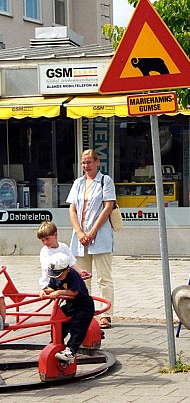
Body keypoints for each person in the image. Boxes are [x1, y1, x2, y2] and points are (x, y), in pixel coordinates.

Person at [67, 149, 116, 329]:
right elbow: (72, 209)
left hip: (100, 235)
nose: (86, 166)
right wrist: (79, 232)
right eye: (83, 163)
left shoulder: (105, 181)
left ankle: (106, 314)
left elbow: (108, 207)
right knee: (82, 277)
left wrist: (93, 231)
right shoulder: (78, 183)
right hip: (80, 238)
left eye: (89, 162)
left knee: (104, 278)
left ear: (97, 162)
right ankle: (85, 313)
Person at [40, 253, 95, 364]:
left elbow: (74, 292)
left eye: (59, 275)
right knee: (59, 321)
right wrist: (44, 290)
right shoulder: (56, 276)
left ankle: (71, 350)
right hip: (70, 304)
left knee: (78, 325)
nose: (57, 278)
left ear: (67, 270)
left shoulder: (73, 275)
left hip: (83, 304)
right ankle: (56, 343)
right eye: (54, 275)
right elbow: (52, 287)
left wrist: (59, 292)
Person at [36, 221, 90, 290]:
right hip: (49, 283)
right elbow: (49, 269)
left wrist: (80, 271)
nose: (45, 242)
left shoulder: (63, 247)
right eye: (42, 240)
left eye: (47, 239)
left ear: (55, 235)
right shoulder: (45, 251)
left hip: (64, 281)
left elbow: (71, 263)